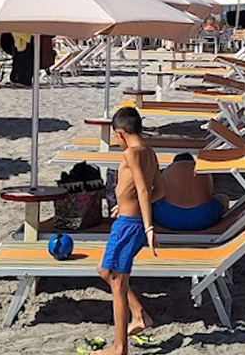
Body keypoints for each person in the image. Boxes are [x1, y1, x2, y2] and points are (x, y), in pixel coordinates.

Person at [97, 107, 163, 355]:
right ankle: (139, 314)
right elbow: (160, 191)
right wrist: (126, 204)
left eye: (115, 136)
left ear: (120, 133)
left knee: (117, 284)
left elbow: (145, 190)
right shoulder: (150, 152)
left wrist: (148, 226)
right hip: (127, 218)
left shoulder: (132, 154)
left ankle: (119, 347)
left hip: (129, 225)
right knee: (105, 270)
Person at [151, 152, 230, 231]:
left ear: (174, 162)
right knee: (223, 198)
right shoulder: (202, 171)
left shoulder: (168, 171)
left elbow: (159, 191)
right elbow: (209, 192)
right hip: (203, 218)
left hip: (167, 218)